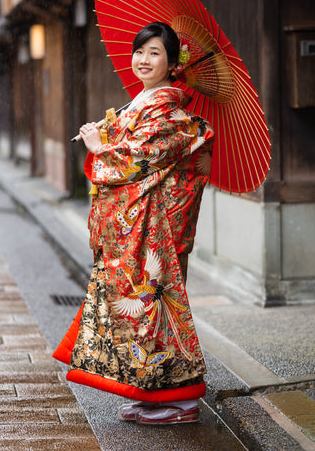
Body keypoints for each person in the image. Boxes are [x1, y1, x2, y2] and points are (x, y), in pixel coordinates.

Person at [53, 21, 213, 425]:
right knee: (136, 309)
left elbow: (136, 160)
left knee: (152, 305)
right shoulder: (143, 102)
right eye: (139, 51)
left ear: (173, 63)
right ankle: (153, 392)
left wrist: (101, 147)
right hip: (134, 226)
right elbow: (128, 148)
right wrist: (105, 135)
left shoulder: (169, 113)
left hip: (151, 229)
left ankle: (182, 397)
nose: (143, 59)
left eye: (155, 53)